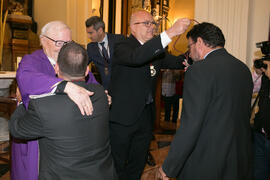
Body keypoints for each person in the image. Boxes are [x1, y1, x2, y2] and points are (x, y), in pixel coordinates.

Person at [9, 42, 118, 180]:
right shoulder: (101, 94)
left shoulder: (43, 106)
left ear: (56, 68)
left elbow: (16, 129)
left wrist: (20, 102)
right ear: (86, 70)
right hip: (102, 174)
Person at [158, 22, 253, 180]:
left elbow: (191, 125)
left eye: (189, 47)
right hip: (239, 159)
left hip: (208, 161)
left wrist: (169, 166)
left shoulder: (199, 70)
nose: (189, 53)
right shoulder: (243, 68)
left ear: (199, 42)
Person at [109, 10, 190, 180]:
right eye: (146, 23)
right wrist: (170, 33)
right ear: (132, 27)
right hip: (123, 119)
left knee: (137, 164)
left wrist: (195, 49)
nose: (151, 27)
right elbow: (137, 57)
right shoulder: (122, 46)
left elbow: (177, 62)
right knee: (116, 165)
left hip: (145, 117)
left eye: (153, 23)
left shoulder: (156, 51)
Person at [13, 21, 97, 180]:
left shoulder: (71, 60)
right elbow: (27, 78)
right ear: (43, 41)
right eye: (59, 42)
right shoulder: (32, 60)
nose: (65, 47)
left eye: (68, 42)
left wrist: (103, 95)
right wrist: (64, 86)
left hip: (69, 138)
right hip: (37, 136)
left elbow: (91, 84)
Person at [85, 16, 125, 90]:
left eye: (91, 33)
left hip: (124, 87)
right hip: (106, 89)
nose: (89, 36)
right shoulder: (91, 47)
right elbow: (82, 64)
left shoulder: (119, 40)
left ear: (100, 30)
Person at [253, 60, 270, 180]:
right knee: (259, 173)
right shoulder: (265, 77)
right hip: (260, 132)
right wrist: (258, 73)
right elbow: (250, 88)